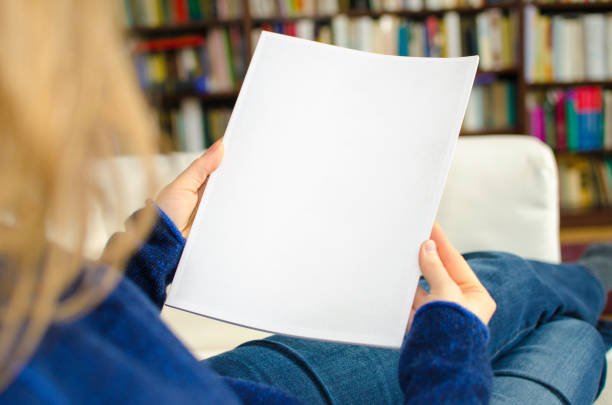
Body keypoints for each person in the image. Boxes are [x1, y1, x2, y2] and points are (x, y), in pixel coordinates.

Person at [0, 2, 609, 404]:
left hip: (215, 385)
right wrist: (449, 351)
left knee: (502, 293)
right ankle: (599, 282)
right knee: (569, 339)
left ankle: (597, 281)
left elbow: (79, 344)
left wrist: (152, 242)